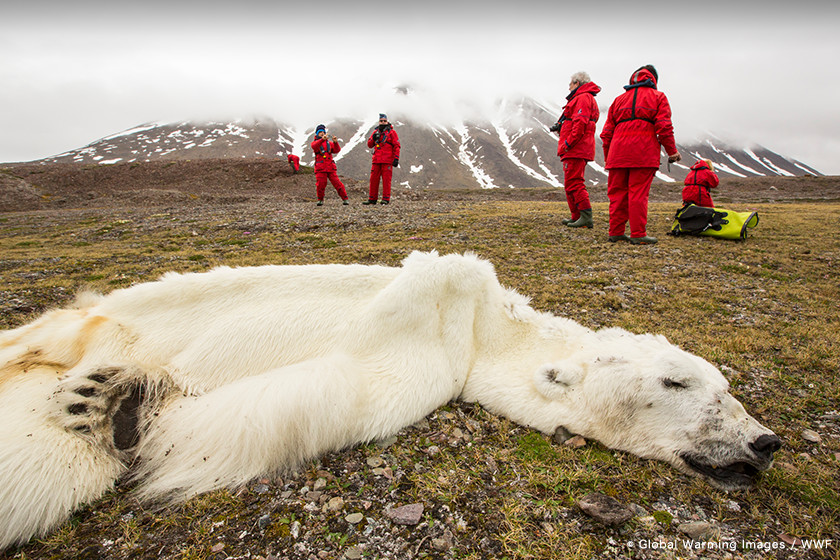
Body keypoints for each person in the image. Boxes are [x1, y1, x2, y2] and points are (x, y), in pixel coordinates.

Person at [600, 65, 681, 245]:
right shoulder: (658, 97)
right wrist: (672, 151)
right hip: (643, 153)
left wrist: (608, 157)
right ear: (654, 80)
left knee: (617, 194)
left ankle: (616, 232)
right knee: (638, 194)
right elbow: (664, 127)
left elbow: (606, 134)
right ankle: (638, 234)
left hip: (617, 155)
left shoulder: (618, 100)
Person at [550, 71, 601, 228]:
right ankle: (577, 216)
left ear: (577, 83)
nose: (569, 86)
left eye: (571, 83)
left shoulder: (583, 98)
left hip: (576, 148)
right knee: (570, 183)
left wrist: (568, 143)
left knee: (575, 183)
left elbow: (580, 124)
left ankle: (585, 217)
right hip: (575, 148)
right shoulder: (580, 98)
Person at [364, 114, 401, 205]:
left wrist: (396, 158)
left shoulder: (392, 133)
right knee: (373, 180)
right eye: (381, 121)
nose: (383, 123)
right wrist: (373, 138)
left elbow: (397, 146)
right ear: (379, 122)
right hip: (376, 160)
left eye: (384, 121)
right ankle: (372, 199)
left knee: (386, 180)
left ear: (387, 122)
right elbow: (369, 145)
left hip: (387, 161)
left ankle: (385, 199)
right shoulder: (375, 132)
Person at [310, 124, 349, 206]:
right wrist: (322, 140)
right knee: (321, 184)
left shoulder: (329, 143)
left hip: (330, 168)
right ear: (317, 134)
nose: (321, 134)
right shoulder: (315, 143)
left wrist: (335, 142)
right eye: (320, 132)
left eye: (323, 132)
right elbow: (314, 146)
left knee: (337, 184)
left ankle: (345, 198)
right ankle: (320, 200)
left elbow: (336, 150)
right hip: (320, 168)